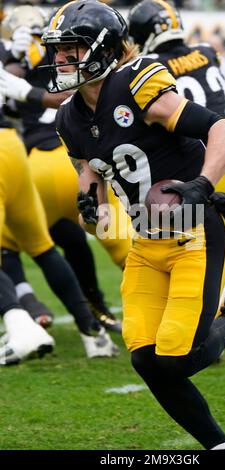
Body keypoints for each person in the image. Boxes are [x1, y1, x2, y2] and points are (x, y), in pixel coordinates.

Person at [42, 1, 225, 450]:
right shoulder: (70, 116)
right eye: (60, 51)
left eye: (73, 49)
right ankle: (222, 448)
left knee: (179, 358)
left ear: (104, 50)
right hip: (146, 240)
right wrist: (91, 208)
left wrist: (203, 184)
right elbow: (90, 182)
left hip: (195, 230)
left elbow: (223, 130)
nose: (63, 59)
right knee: (147, 359)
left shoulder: (138, 84)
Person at [127, 0, 225, 301]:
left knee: (180, 257)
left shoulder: (148, 68)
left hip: (216, 173)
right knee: (209, 256)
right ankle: (224, 297)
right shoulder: (207, 51)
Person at [0, 4, 132, 333]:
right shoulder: (77, 53)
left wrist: (14, 63)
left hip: (38, 165)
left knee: (17, 246)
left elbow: (19, 89)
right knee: (122, 248)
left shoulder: (26, 57)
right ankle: (201, 306)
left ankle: (28, 309)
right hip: (81, 159)